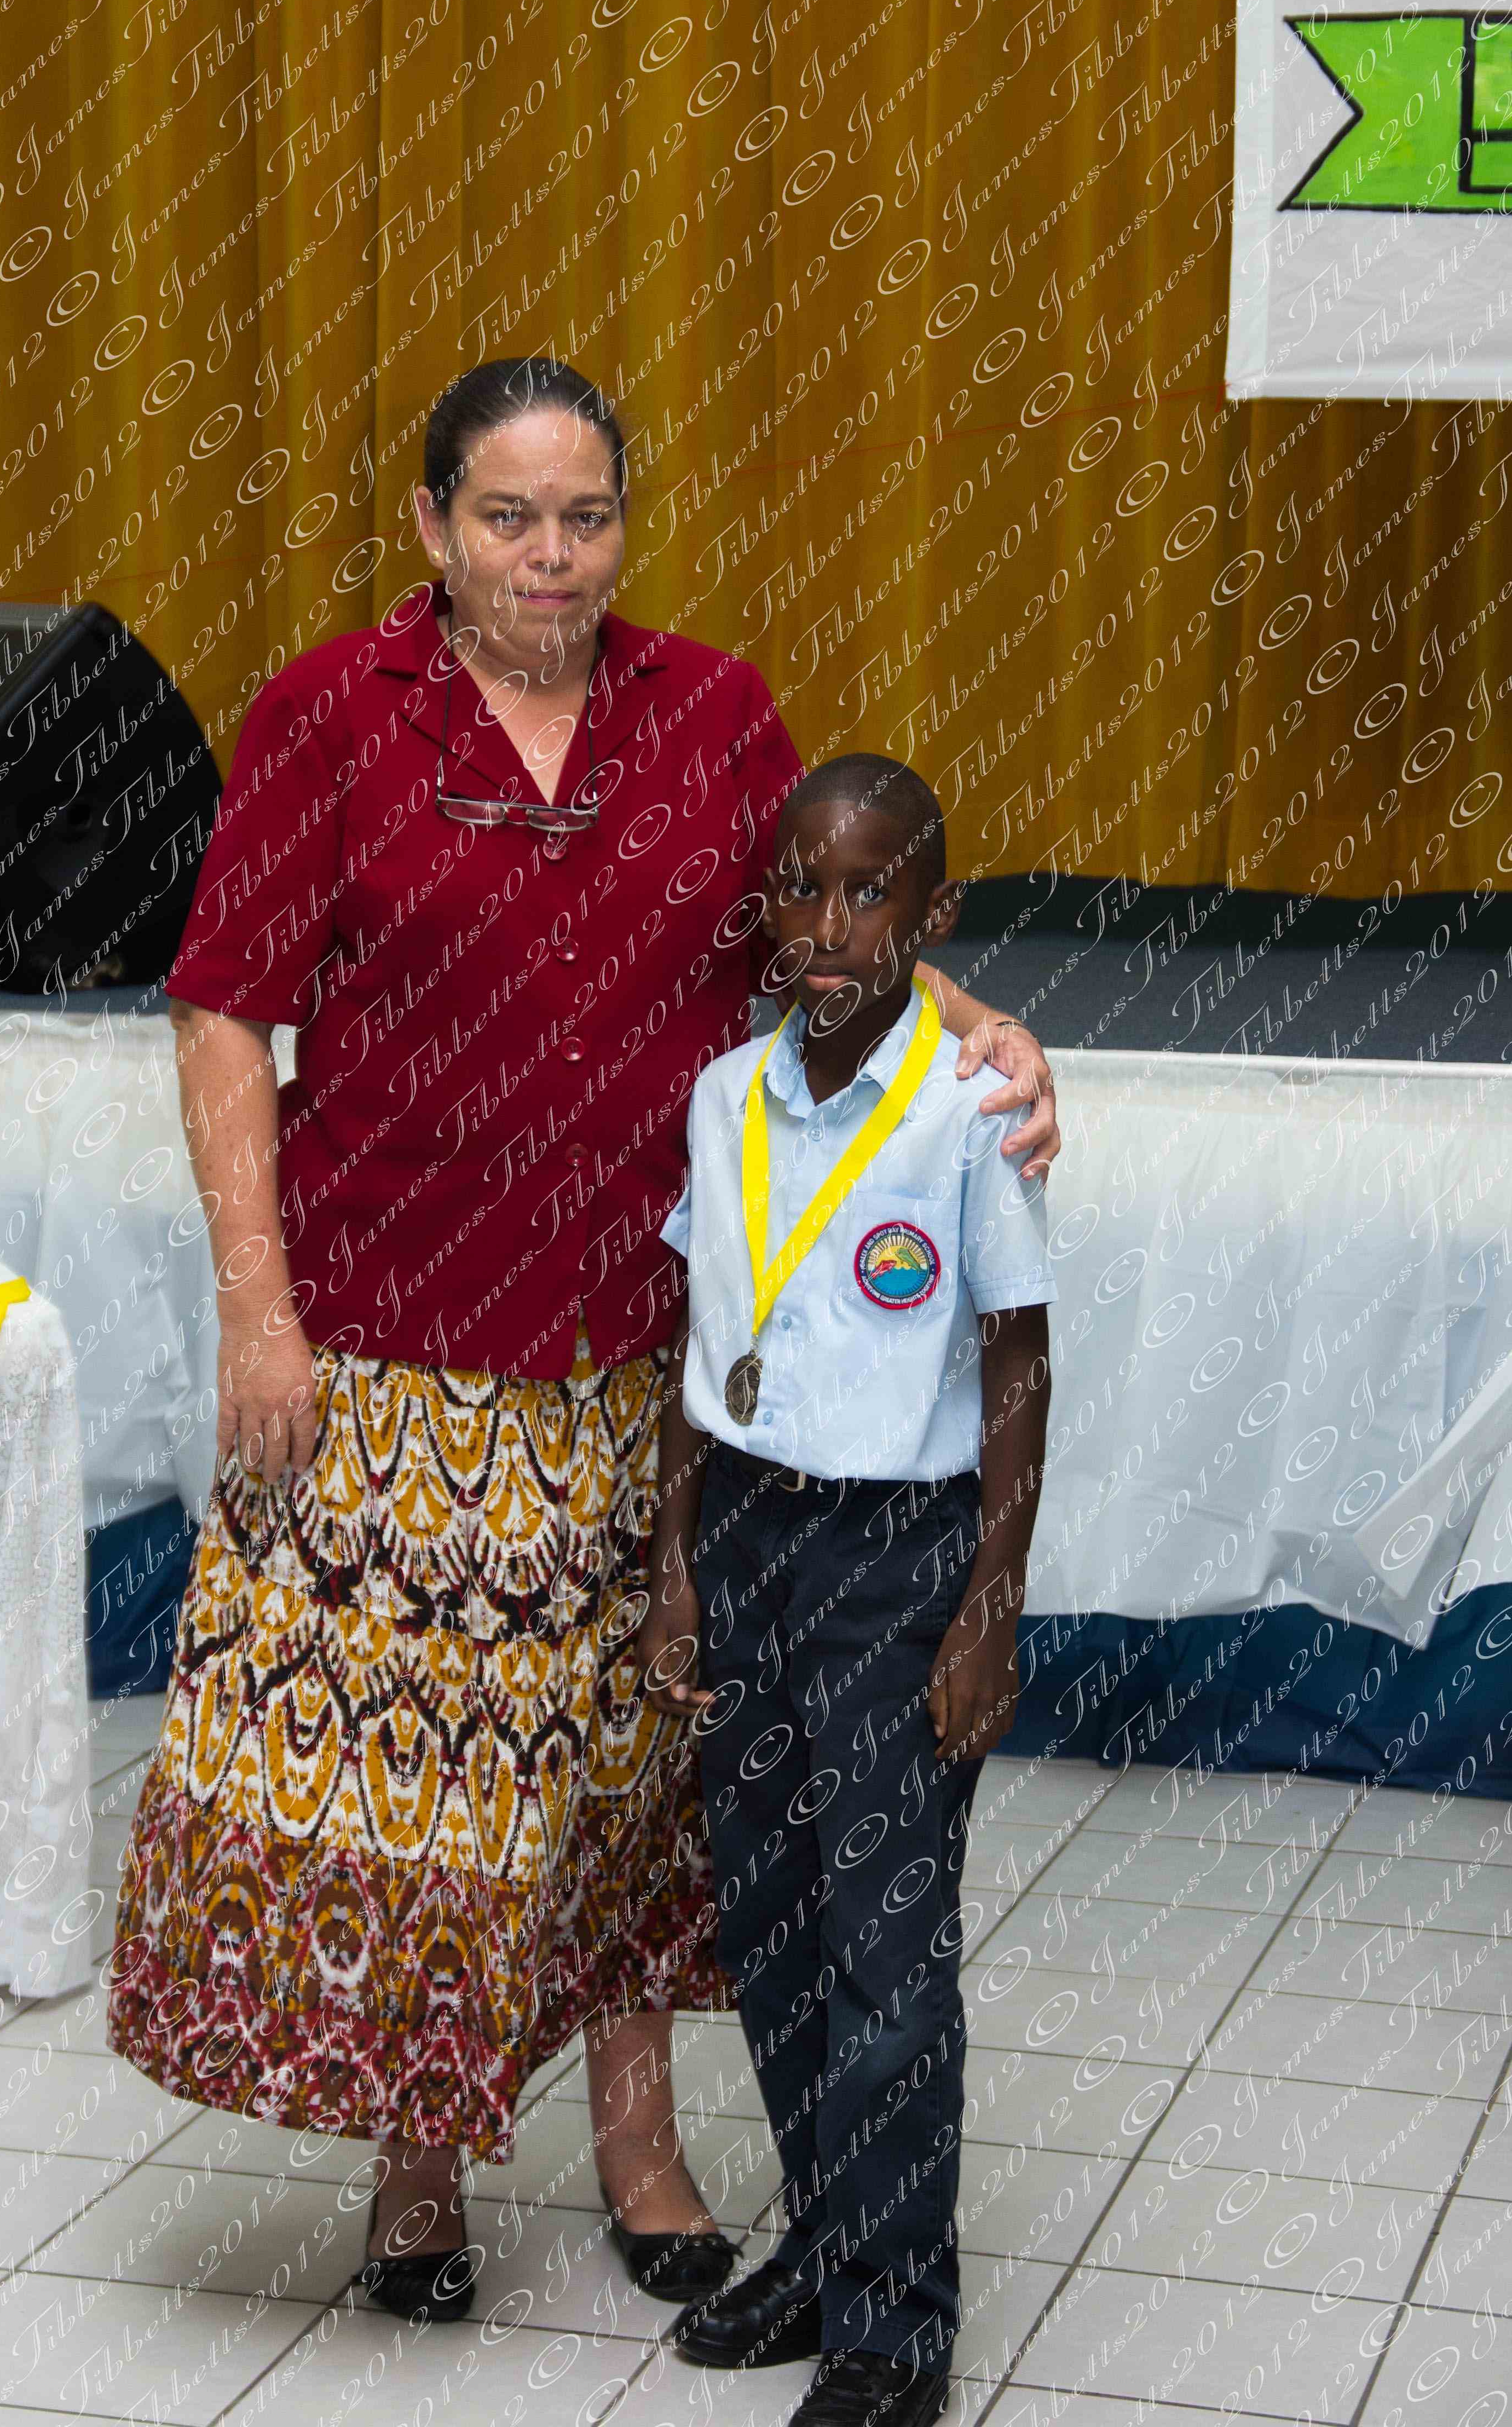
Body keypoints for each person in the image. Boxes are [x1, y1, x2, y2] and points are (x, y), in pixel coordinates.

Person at [107, 358, 1061, 2326]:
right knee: (413, 1793)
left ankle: (643, 2147)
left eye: (588, 517)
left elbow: (829, 932)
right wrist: (257, 1310)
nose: (552, 556)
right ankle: (419, 2174)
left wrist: (984, 1033)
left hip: (658, 1368)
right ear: (434, 528)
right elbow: (222, 1013)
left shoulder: (707, 712)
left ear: (626, 525)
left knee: (635, 1781)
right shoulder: (328, 715)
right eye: (509, 518)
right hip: (394, 1344)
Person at [639, 753, 1055, 2427]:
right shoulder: (724, 1096)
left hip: (898, 1559)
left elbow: (1017, 1360)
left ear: (932, 914)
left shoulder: (968, 1108)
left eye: (869, 891)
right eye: (801, 888)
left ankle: (895, 2324)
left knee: (888, 1952)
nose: (828, 924)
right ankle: (823, 2247)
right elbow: (700, 1344)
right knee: (774, 1923)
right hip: (744, 1535)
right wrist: (676, 1567)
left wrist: (990, 1603)